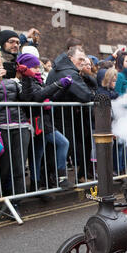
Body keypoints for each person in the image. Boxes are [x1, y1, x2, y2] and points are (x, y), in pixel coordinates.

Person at [16, 53, 74, 190]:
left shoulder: (36, 80)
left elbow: (50, 97)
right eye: (35, 67)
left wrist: (63, 87)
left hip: (43, 121)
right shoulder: (27, 80)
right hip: (38, 121)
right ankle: (61, 178)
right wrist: (58, 84)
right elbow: (37, 97)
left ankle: (35, 185)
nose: (38, 70)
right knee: (63, 143)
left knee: (37, 154)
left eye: (38, 67)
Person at [0, 46, 31, 205]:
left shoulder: (10, 78)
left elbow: (25, 99)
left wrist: (26, 79)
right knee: (1, 168)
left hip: (20, 124)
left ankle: (18, 200)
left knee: (19, 165)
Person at [47, 46, 95, 183]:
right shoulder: (69, 72)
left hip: (60, 116)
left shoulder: (61, 69)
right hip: (62, 117)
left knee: (57, 149)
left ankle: (51, 180)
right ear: (70, 58)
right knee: (63, 148)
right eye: (80, 59)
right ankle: (54, 180)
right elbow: (85, 95)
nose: (82, 62)